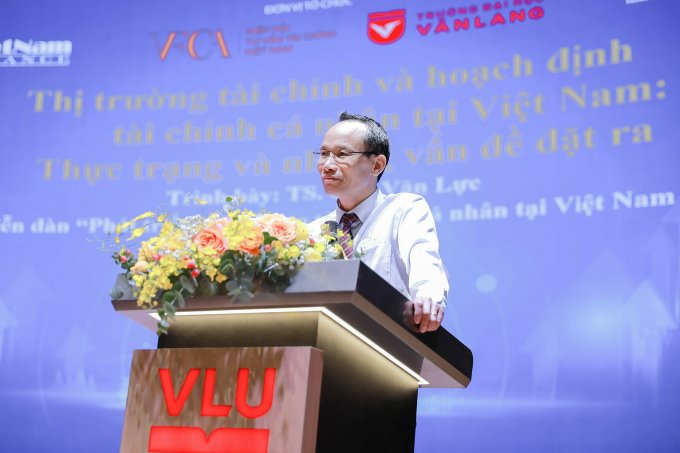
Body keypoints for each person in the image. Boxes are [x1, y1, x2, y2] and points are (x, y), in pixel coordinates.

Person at [308, 112, 448, 332]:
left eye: (342, 154)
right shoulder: (314, 231)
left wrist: (428, 299)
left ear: (377, 165)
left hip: (388, 342)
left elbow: (424, 259)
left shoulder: (403, 210)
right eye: (324, 153)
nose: (327, 165)